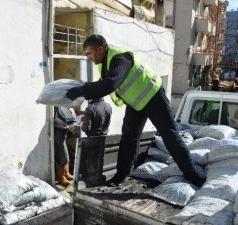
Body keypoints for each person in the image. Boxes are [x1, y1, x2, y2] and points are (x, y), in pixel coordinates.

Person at [65, 34, 205, 187]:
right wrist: (82, 88)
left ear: (100, 49)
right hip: (136, 103)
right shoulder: (104, 64)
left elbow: (110, 84)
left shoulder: (120, 58)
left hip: (153, 96)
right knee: (129, 137)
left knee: (169, 135)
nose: (88, 57)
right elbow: (103, 83)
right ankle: (121, 175)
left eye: (89, 53)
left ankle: (190, 173)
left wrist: (81, 90)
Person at [54, 106, 77, 187]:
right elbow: (72, 126)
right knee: (62, 158)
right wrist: (80, 124)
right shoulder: (65, 108)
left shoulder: (66, 106)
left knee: (65, 156)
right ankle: (61, 178)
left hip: (62, 133)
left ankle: (66, 174)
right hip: (59, 134)